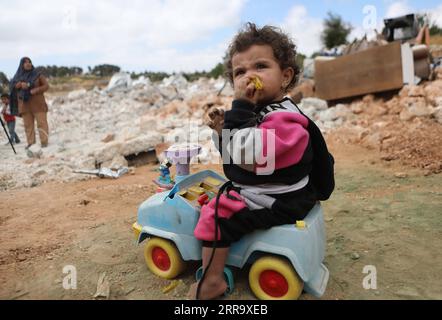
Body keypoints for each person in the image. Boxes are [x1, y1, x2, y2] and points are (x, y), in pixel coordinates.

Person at [188, 23, 334, 300]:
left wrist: (239, 110)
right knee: (222, 191)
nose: (248, 77)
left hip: (277, 199)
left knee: (215, 215)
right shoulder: (265, 112)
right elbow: (235, 152)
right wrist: (223, 131)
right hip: (273, 187)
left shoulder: (284, 120)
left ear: (285, 76)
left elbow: (246, 155)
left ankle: (212, 282)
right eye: (240, 72)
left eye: (260, 67)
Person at [9, 57, 50, 148]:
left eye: (29, 62)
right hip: (24, 106)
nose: (28, 64)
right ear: (21, 65)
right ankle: (31, 143)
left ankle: (44, 142)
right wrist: (17, 85)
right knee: (28, 126)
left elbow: (46, 86)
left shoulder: (37, 75)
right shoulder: (17, 77)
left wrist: (35, 90)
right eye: (25, 62)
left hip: (38, 104)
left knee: (42, 123)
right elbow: (11, 88)